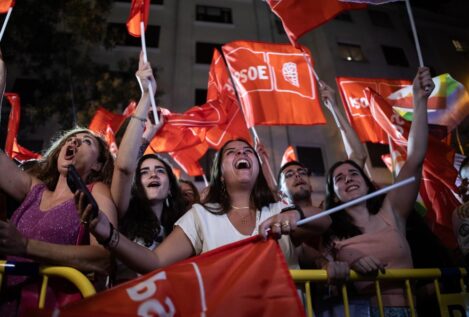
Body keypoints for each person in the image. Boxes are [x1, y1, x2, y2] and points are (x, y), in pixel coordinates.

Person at [79, 138, 331, 274]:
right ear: (219, 173)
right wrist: (108, 235)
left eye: (247, 151)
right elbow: (155, 261)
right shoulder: (201, 216)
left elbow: (326, 220)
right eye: (232, 152)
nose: (242, 154)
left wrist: (294, 214)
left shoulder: (277, 210)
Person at [0, 52, 116, 316]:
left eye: (85, 141)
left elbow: (103, 259)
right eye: (71, 139)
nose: (73, 142)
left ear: (98, 165)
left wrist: (26, 246)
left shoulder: (97, 192)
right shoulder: (33, 189)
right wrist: (1, 69)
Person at [322, 67, 434, 316]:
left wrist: (419, 101)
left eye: (354, 174)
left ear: (366, 181)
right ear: (333, 195)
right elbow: (328, 282)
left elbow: (415, 157)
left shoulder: (391, 211)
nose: (348, 178)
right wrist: (348, 265)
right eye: (339, 178)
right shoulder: (331, 235)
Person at [110, 52, 186, 283]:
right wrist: (146, 98)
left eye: (160, 170)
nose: (152, 173)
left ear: (171, 187)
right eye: (144, 172)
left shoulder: (184, 227)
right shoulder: (122, 214)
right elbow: (124, 168)